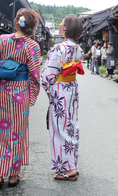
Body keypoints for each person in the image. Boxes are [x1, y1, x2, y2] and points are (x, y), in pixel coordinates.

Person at [0, 8, 41, 193]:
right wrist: (32, 96)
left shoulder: (2, 40)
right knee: (17, 133)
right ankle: (13, 175)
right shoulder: (32, 46)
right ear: (32, 26)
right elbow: (35, 75)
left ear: (16, 22)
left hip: (1, 91)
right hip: (20, 93)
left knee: (0, 132)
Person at [41, 15, 84, 181]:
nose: (60, 24)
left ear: (65, 28)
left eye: (62, 23)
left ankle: (67, 169)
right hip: (72, 89)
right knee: (71, 127)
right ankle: (72, 164)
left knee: (60, 130)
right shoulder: (78, 49)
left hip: (59, 91)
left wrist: (49, 95)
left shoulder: (59, 48)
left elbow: (46, 76)